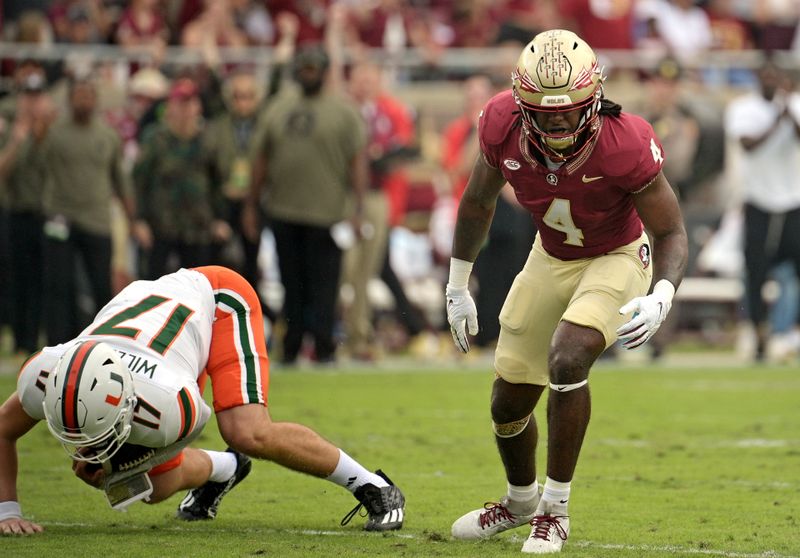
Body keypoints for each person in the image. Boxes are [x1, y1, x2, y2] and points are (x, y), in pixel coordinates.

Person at [445, 29, 687, 554]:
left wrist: (663, 292)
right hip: (550, 256)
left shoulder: (624, 141)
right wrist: (457, 284)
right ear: (520, 102)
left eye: (569, 109)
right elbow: (477, 203)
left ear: (594, 98)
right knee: (507, 400)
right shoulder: (500, 124)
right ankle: (519, 503)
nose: (557, 120)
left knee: (568, 357)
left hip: (616, 256)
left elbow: (670, 231)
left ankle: (555, 511)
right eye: (544, 110)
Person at [0, 265, 405, 535]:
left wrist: (114, 466)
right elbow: (3, 431)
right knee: (155, 489)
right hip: (152, 320)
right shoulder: (46, 373)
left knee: (247, 432)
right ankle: (226, 469)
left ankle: (372, 485)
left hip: (218, 301)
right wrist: (7, 511)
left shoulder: (168, 404)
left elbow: (187, 429)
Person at [242, 45, 368, 365]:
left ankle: (325, 347)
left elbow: (357, 162)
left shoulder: (344, 111)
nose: (307, 73)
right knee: (290, 284)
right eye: (304, 68)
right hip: (284, 209)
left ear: (325, 72)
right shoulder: (276, 108)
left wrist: (358, 208)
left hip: (327, 213)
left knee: (325, 286)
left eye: (314, 68)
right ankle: (292, 346)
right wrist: (251, 204)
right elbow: (259, 159)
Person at [724, 59, 800, 361]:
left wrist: (788, 113)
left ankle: (789, 332)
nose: (771, 81)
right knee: (755, 269)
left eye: (776, 76)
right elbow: (747, 145)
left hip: (793, 198)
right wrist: (775, 121)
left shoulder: (793, 104)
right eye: (766, 76)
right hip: (757, 199)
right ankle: (756, 332)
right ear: (758, 78)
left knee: (795, 270)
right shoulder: (744, 108)